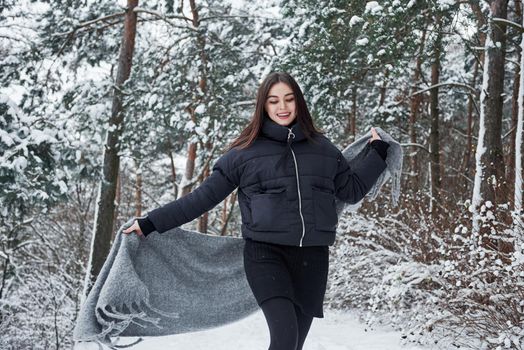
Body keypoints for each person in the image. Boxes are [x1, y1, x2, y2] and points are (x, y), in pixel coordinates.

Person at [123, 72, 389, 350]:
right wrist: (151, 223)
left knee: (295, 343)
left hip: (313, 257)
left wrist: (378, 152)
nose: (282, 107)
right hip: (265, 255)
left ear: (299, 102)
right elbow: (201, 199)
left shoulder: (323, 150)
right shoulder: (244, 154)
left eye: (289, 99)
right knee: (285, 338)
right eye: (274, 101)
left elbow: (352, 190)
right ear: (263, 106)